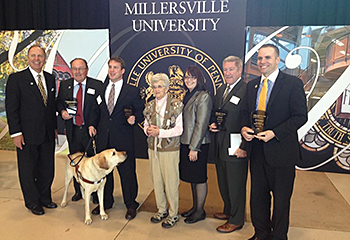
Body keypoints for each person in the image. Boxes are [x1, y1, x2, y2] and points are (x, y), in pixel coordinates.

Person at [241, 44, 307, 240]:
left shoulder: (292, 83)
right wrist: (244, 128)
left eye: (267, 58)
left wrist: (274, 133)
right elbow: (246, 113)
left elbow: (300, 116)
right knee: (258, 198)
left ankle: (278, 236)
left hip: (282, 153)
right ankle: (260, 233)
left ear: (278, 60)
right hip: (258, 151)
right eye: (260, 58)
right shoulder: (252, 85)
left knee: (281, 200)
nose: (262, 62)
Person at [88, 57, 143, 220]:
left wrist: (135, 118)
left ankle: (131, 204)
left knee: (127, 174)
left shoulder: (132, 90)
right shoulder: (101, 88)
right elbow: (95, 110)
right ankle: (106, 202)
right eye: (110, 67)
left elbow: (140, 111)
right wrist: (92, 124)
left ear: (122, 71)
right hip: (104, 139)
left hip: (123, 140)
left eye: (116, 68)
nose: (112, 70)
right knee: (105, 174)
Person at [5, 45, 57, 215]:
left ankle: (45, 198)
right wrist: (16, 133)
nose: (37, 59)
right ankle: (32, 202)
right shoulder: (16, 79)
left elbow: (50, 107)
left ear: (44, 58)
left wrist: (54, 128)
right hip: (26, 135)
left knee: (47, 168)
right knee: (28, 170)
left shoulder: (50, 78)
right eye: (33, 56)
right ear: (28, 58)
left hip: (47, 133)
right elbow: (11, 108)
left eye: (40, 56)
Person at [209, 56, 248, 233]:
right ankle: (229, 210)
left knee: (236, 183)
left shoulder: (246, 90)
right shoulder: (221, 89)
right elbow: (218, 114)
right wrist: (213, 125)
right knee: (224, 181)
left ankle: (237, 219)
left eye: (231, 69)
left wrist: (245, 147)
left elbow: (249, 119)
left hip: (236, 145)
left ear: (240, 70)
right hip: (220, 143)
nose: (227, 73)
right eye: (225, 69)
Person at [56, 58, 102, 202]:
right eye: (74, 69)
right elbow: (58, 102)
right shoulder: (65, 85)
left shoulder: (97, 85)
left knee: (92, 162)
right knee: (76, 161)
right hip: (73, 129)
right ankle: (78, 190)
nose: (78, 72)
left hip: (90, 130)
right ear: (71, 70)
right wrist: (62, 111)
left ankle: (94, 192)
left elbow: (99, 109)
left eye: (80, 68)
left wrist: (93, 124)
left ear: (87, 70)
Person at [143, 73, 183, 228]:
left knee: (171, 182)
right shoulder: (149, 105)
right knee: (157, 180)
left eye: (159, 86)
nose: (156, 89)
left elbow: (179, 129)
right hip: (153, 149)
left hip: (170, 149)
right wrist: (148, 131)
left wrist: (160, 132)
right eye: (154, 86)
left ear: (167, 88)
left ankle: (173, 214)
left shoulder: (176, 105)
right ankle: (161, 210)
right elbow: (146, 125)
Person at [179, 65, 212, 224]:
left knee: (199, 178)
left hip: (198, 144)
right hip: (186, 142)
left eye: (192, 77)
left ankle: (200, 211)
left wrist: (194, 147)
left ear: (199, 79)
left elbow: (201, 124)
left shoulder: (203, 96)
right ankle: (195, 207)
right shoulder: (188, 95)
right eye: (186, 77)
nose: (189, 80)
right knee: (192, 177)